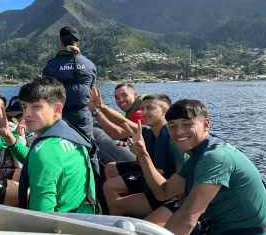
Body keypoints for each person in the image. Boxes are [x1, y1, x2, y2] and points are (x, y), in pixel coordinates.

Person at [129, 99, 266, 234]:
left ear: (206, 124)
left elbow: (187, 219)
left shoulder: (215, 158)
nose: (179, 132)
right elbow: (163, 191)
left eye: (187, 124)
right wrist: (142, 154)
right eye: (172, 126)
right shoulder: (197, 157)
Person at [103, 94, 185, 226]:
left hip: (172, 194)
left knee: (145, 227)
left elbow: (183, 177)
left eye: (150, 108)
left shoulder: (173, 138)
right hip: (155, 188)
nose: (144, 112)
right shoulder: (147, 132)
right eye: (142, 109)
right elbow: (122, 121)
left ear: (165, 110)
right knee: (116, 204)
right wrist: (100, 107)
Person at [18, 77, 96, 213]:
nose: (27, 114)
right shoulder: (74, 137)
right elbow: (47, 163)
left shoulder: (45, 151)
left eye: (36, 106)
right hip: (85, 218)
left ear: (57, 109)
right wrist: (9, 138)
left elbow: (41, 220)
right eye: (24, 107)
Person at [42, 26, 99, 175]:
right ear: (77, 43)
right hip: (82, 116)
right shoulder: (89, 65)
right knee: (89, 150)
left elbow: (44, 91)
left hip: (58, 117)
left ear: (61, 43)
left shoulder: (51, 65)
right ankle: (94, 190)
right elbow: (92, 89)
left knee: (58, 151)